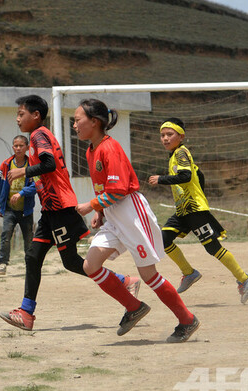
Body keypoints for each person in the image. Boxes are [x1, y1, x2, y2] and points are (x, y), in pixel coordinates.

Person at [0, 95, 140, 331]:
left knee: (72, 262)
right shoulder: (37, 135)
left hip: (62, 208)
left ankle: (124, 282)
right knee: (33, 257)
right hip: (50, 210)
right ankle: (26, 313)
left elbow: (49, 163)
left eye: (21, 114)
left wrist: (23, 171)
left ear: (36, 116)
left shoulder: (38, 134)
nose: (17, 119)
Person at [73, 98, 200, 343]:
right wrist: (100, 211)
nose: (75, 125)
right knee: (91, 266)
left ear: (95, 122)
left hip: (131, 212)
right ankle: (134, 307)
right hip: (112, 213)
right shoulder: (91, 150)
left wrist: (91, 206)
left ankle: (187, 320)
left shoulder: (110, 148)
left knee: (148, 275)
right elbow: (105, 188)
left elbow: (119, 188)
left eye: (78, 120)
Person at [146, 117, 248, 303]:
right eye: (162, 135)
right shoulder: (174, 155)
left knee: (213, 248)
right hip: (183, 210)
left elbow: (186, 176)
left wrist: (162, 179)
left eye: (169, 134)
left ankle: (244, 278)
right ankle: (189, 273)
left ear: (181, 136)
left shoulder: (181, 153)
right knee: (163, 239)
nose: (165, 138)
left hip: (194, 210)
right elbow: (198, 174)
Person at [0, 135, 36, 275]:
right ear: (13, 147)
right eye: (16, 146)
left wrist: (21, 193)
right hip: (9, 210)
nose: (18, 148)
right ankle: (2, 263)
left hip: (26, 210)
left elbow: (36, 186)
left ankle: (30, 265)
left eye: (21, 146)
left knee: (29, 239)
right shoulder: (6, 165)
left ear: (27, 148)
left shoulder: (32, 166)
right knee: (6, 236)